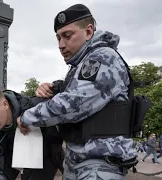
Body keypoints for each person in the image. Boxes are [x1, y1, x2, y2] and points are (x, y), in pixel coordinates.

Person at [16, 4, 140, 180]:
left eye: (67, 36)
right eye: (58, 38)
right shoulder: (82, 64)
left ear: (88, 32)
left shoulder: (103, 57)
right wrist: (53, 88)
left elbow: (74, 104)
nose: (61, 45)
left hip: (99, 164)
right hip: (79, 162)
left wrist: (27, 117)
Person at [0, 85, 65, 180]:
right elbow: (4, 158)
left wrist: (53, 88)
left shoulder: (35, 107)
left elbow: (66, 105)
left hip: (47, 154)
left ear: (5, 104)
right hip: (19, 157)